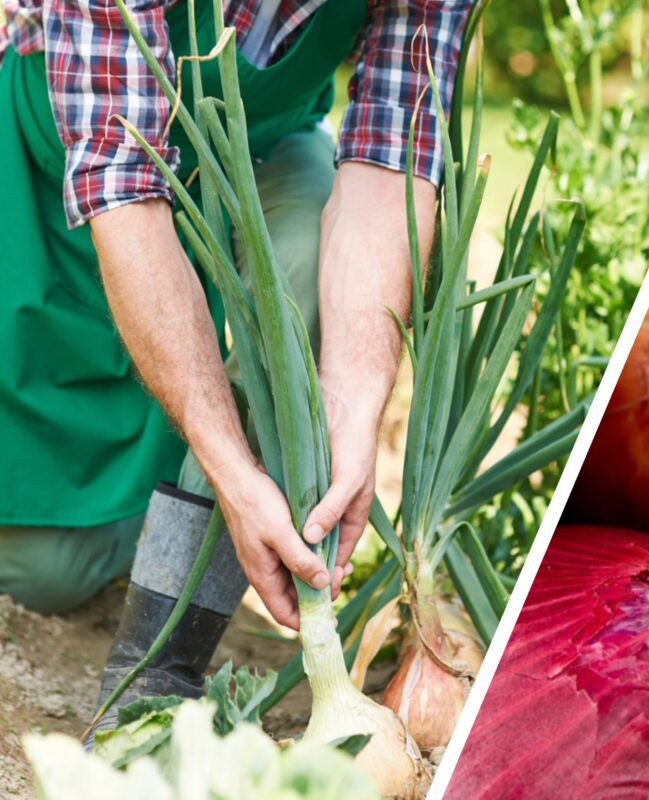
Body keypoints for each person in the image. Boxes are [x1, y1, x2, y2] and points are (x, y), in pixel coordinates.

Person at [0, 0, 469, 732]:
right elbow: (124, 183)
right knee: (52, 571)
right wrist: (226, 461)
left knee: (307, 264)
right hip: (60, 162)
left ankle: (160, 660)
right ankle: (175, 505)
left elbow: (393, 162)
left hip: (260, 153)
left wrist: (352, 402)